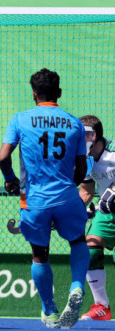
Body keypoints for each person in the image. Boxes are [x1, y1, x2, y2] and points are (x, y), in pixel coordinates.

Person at [0, 68, 89, 329]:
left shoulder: (20, 119)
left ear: (34, 95)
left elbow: (3, 157)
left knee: (40, 254)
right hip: (67, 196)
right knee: (77, 240)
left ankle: (49, 311)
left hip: (35, 199)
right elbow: (81, 169)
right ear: (59, 93)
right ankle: (76, 287)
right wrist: (68, 188)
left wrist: (10, 180)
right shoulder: (73, 123)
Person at [78, 115, 113, 320]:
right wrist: (71, 210)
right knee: (89, 249)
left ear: (96, 135)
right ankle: (102, 307)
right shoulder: (85, 159)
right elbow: (86, 190)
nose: (83, 140)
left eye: (87, 135)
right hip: (107, 213)